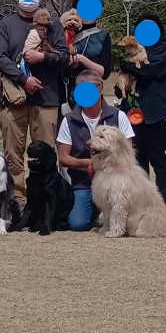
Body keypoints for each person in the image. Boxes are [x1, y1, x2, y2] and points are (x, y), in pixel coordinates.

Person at [0, 0, 65, 204]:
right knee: (13, 154)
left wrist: (42, 56)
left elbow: (63, 56)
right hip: (13, 98)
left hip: (46, 99)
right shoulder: (6, 24)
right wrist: (23, 79)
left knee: (46, 154)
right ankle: (17, 202)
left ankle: (45, 203)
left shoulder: (54, 25)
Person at [119, 15, 166, 205]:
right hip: (134, 111)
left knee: (158, 157)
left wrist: (127, 65)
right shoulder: (130, 51)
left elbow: (151, 71)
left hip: (156, 113)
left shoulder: (164, 51)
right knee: (138, 158)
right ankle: (142, 200)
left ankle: (163, 201)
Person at [57, 71, 136, 232]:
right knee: (78, 224)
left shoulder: (118, 116)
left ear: (100, 88)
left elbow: (128, 152)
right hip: (84, 183)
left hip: (116, 179)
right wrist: (89, 163)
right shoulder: (69, 120)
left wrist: (107, 163)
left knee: (126, 214)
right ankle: (95, 210)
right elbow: (63, 158)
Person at [65, 0, 113, 99]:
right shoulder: (64, 33)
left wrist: (82, 59)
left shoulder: (103, 36)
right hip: (65, 93)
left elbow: (105, 73)